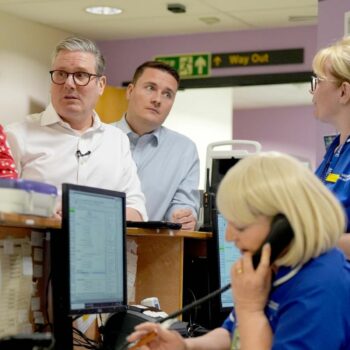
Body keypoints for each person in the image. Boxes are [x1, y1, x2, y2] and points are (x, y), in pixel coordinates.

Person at [128, 152, 350, 349]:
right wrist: (186, 345)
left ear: (285, 226)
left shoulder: (322, 287)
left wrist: (250, 309)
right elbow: (230, 333)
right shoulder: (275, 265)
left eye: (241, 226)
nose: (228, 237)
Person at [6, 36, 146, 220]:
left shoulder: (116, 140)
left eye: (81, 75)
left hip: (101, 247)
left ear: (101, 85)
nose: (69, 84)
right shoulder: (16, 135)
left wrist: (83, 212)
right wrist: (44, 211)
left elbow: (137, 212)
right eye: (61, 74)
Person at [114, 61, 199, 230]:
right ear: (130, 91)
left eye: (167, 94)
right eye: (150, 88)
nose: (157, 99)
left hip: (153, 250)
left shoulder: (184, 150)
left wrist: (184, 216)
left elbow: (182, 204)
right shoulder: (98, 137)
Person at [311, 35, 350, 258]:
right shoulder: (336, 150)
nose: (313, 93)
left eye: (318, 82)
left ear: (343, 92)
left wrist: (305, 245)